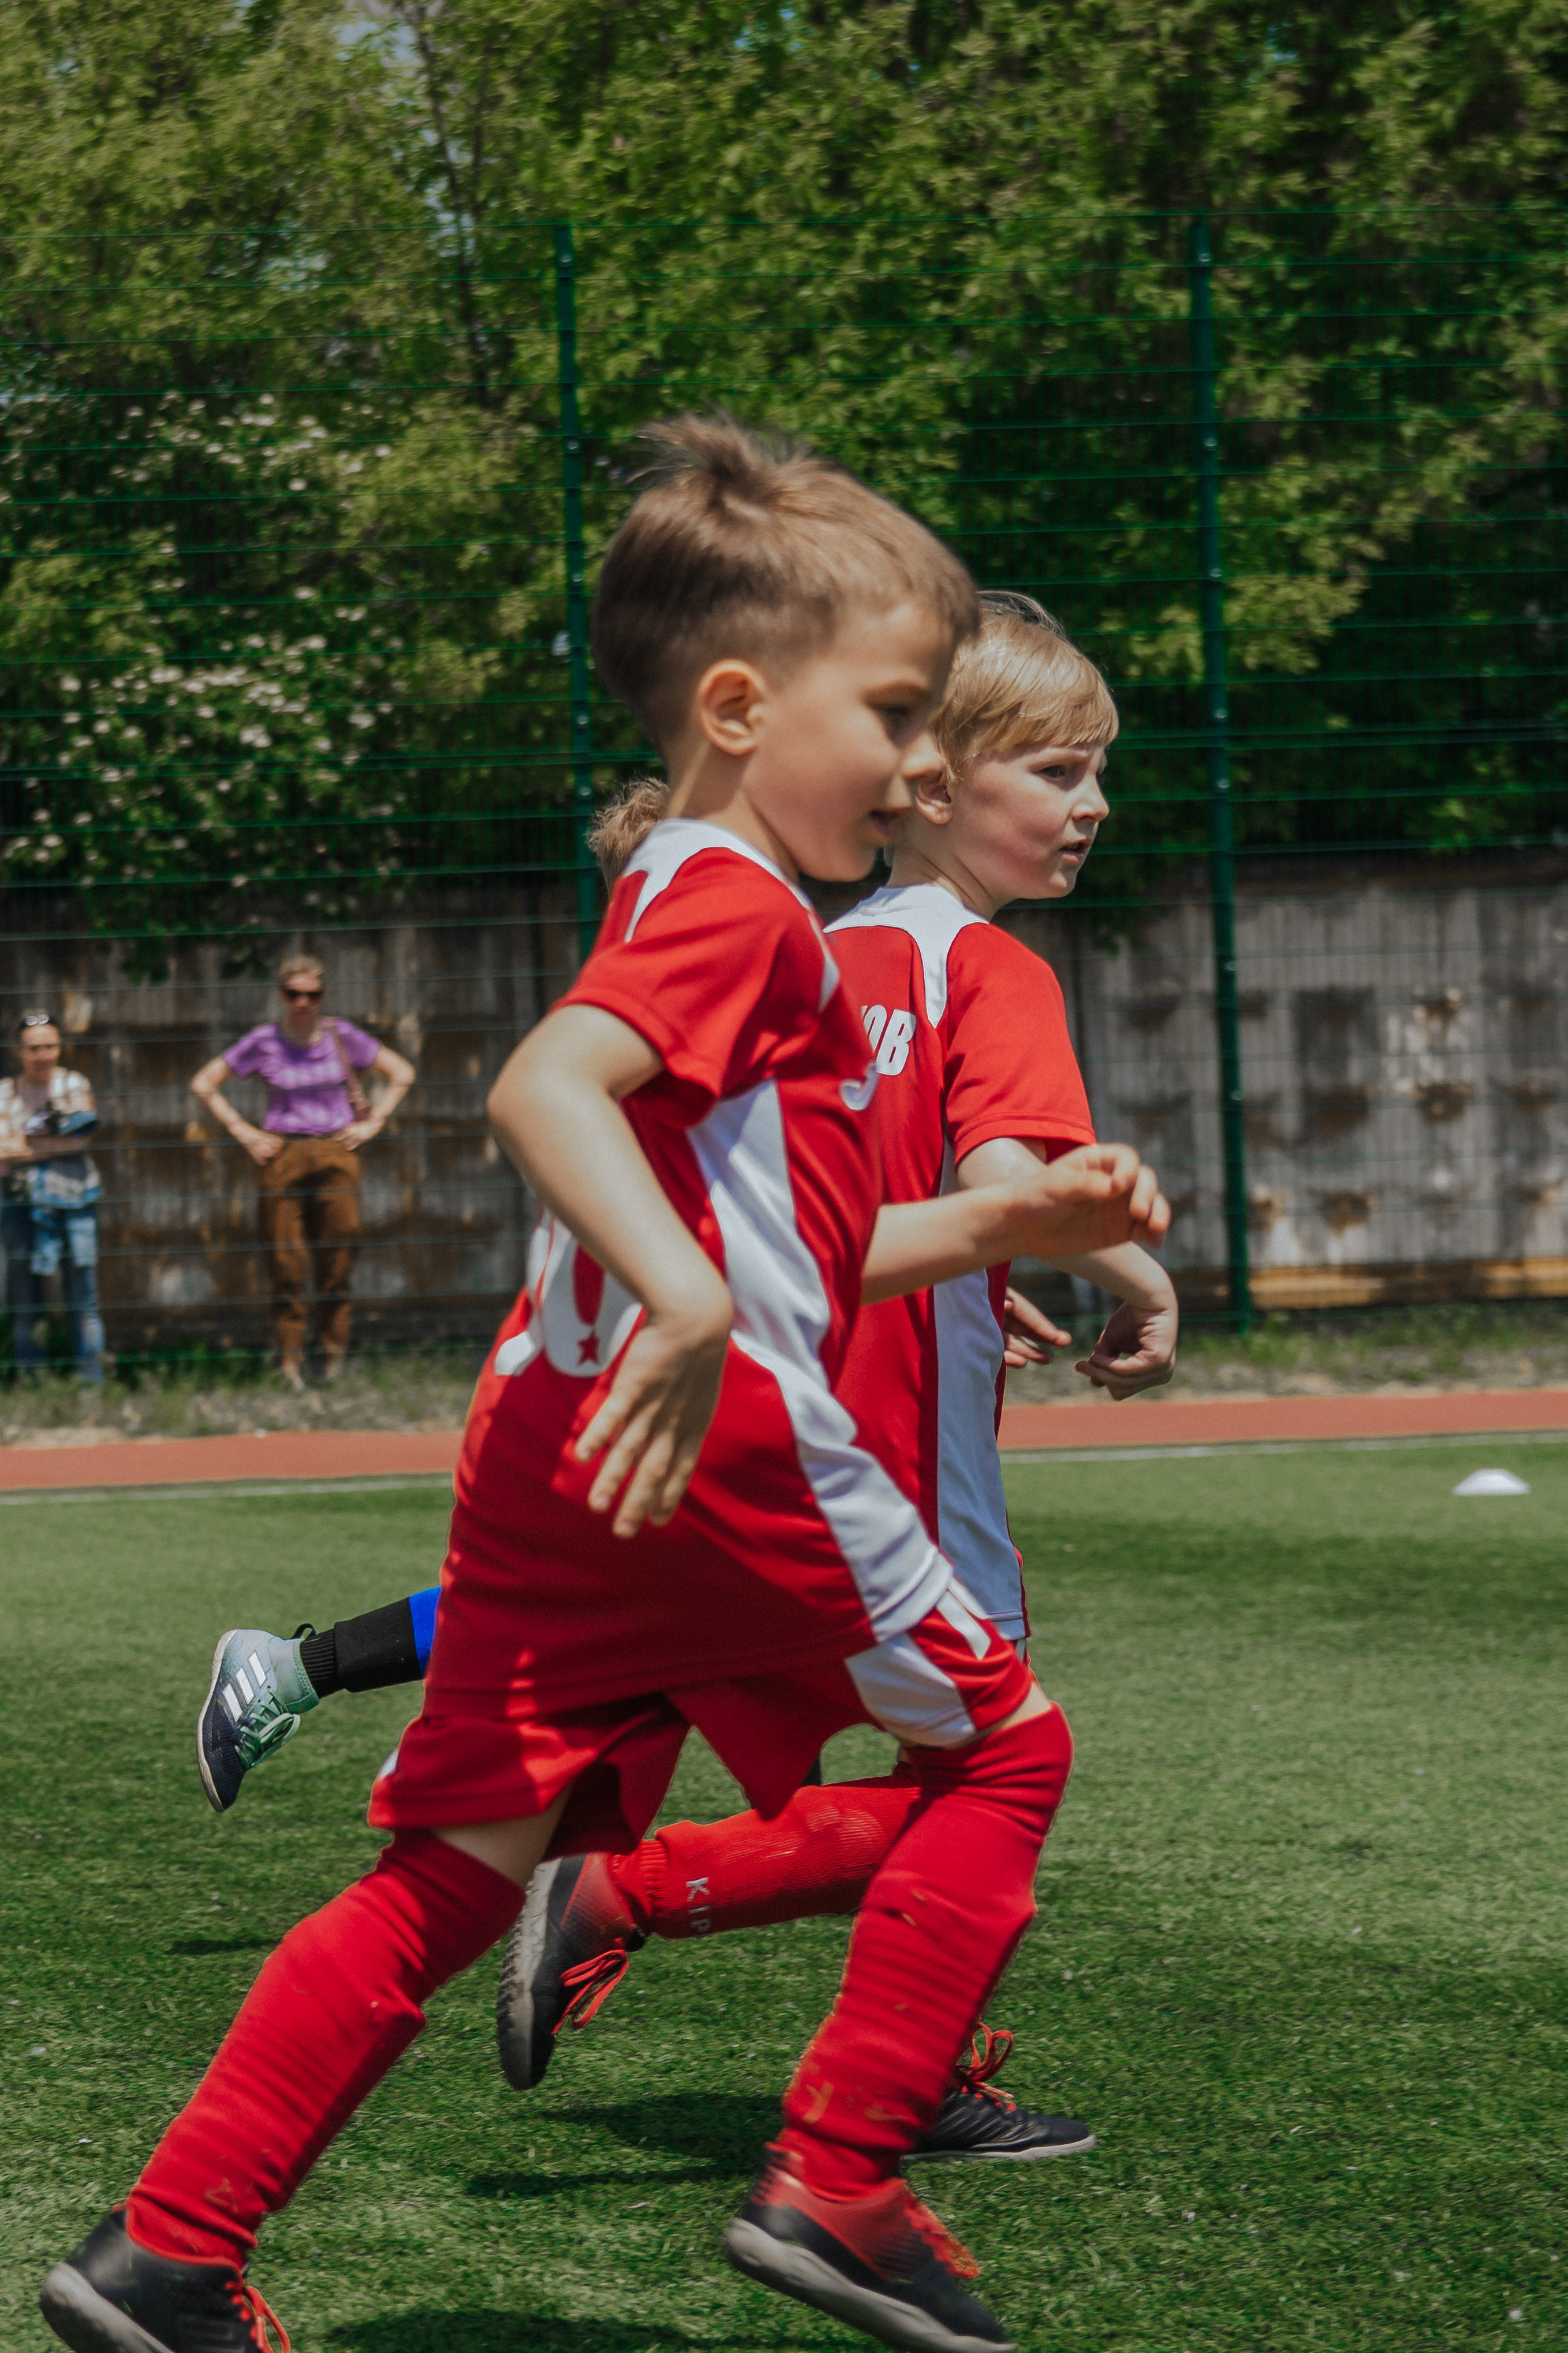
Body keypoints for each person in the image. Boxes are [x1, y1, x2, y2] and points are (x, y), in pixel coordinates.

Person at [42, 415, 1167, 2353]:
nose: (916, 762)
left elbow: (776, 1241)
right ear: (738, 705)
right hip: (727, 1454)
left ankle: (169, 2249)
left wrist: (1003, 1233)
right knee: (1001, 1757)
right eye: (895, 713)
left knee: (450, 1880)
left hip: (549, 1471)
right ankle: (840, 2179)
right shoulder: (736, 904)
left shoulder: (699, 904)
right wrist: (684, 1300)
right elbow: (541, 1088)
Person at [199, 598, 1175, 2176]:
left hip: (716, 1423)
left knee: (517, 1810)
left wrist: (955, 1267)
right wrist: (1127, 1271)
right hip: (875, 1464)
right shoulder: (985, 971)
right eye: (1060, 770)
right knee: (991, 1770)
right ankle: (745, 1991)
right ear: (929, 775)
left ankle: (185, 2221)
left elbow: (794, 1221)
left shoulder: (803, 943)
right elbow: (1010, 1174)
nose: (1093, 804)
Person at [190, 956, 415, 1390]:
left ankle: (333, 1357)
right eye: (294, 994)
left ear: (323, 997)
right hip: (282, 1153)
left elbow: (402, 1072)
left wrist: (376, 1120)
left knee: (338, 1256)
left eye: (312, 995)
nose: (303, 1003)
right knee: (285, 1261)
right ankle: (288, 1362)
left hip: (336, 1150)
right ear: (281, 996)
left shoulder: (341, 1035)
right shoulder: (264, 1040)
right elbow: (204, 1082)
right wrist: (243, 1131)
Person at [0, 1008, 106, 1386]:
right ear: (18, 1051)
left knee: (83, 1298)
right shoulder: (5, 1092)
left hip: (75, 1201)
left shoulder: (74, 1085)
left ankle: (91, 1386)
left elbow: (83, 1137)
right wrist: (56, 1143)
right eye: (34, 1048)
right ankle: (32, 1384)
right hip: (19, 1206)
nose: (42, 1055)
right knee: (25, 1298)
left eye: (49, 1046)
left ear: (60, 1047)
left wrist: (22, 1142)